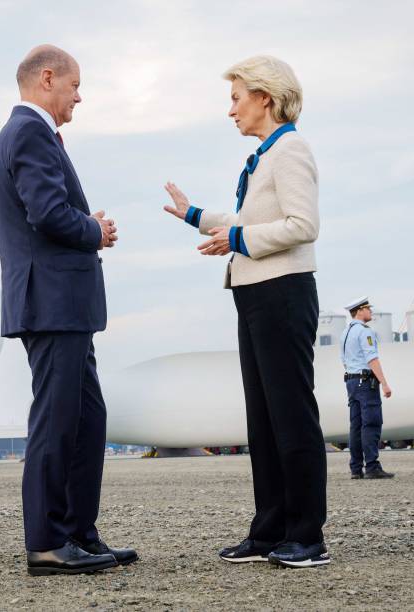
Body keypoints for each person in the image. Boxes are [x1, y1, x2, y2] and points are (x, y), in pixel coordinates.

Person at [163, 55, 328, 568]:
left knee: (291, 416)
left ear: (265, 97)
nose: (230, 110)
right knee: (262, 419)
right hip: (255, 292)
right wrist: (195, 215)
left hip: (283, 293)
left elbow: (303, 225)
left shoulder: (291, 150)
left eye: (236, 98)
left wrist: (237, 237)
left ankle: (307, 536)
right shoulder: (265, 155)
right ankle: (269, 530)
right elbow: (247, 220)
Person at [0, 44, 137, 576]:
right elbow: (47, 213)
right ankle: (48, 542)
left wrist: (82, 221)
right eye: (75, 86)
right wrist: (94, 229)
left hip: (62, 304)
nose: (80, 96)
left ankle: (79, 532)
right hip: (51, 303)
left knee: (86, 419)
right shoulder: (29, 132)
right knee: (56, 421)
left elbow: (46, 212)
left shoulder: (26, 134)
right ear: (47, 79)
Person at [340, 297, 394, 480]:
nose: (371, 312)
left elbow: (345, 360)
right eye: (368, 309)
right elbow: (372, 359)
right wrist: (384, 383)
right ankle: (372, 466)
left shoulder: (345, 333)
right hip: (365, 382)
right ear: (360, 311)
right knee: (371, 423)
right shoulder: (365, 332)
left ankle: (356, 468)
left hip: (351, 381)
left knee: (355, 426)